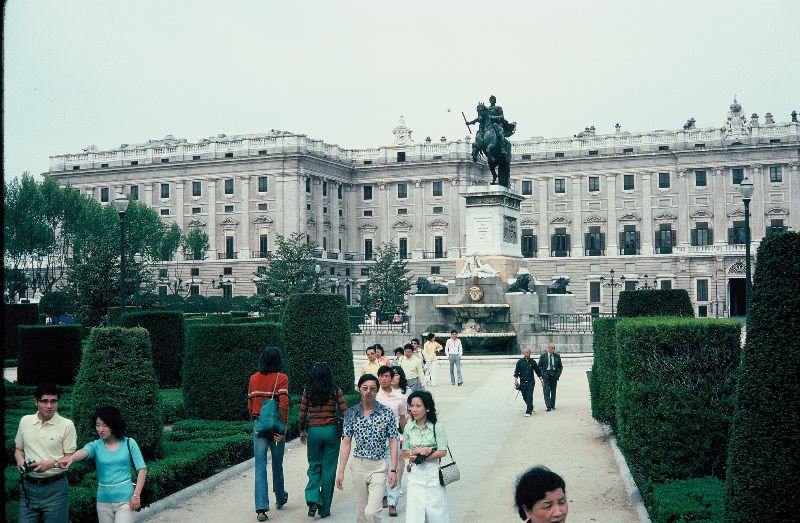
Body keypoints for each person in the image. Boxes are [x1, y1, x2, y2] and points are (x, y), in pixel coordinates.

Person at [59, 405, 147, 523]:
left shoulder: (129, 443)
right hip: (103, 502)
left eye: (105, 425)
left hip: (126, 500)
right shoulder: (95, 445)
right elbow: (84, 452)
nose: (100, 429)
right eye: (97, 425)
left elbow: (142, 469)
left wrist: (136, 495)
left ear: (114, 425)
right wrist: (72, 458)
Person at [336, 374, 399, 523]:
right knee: (361, 513)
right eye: (365, 388)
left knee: (372, 512)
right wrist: (341, 471)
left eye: (372, 388)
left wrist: (394, 469)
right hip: (359, 465)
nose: (368, 391)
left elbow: (393, 441)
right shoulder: (351, 413)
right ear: (359, 389)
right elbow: (346, 442)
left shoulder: (386, 412)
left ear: (377, 390)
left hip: (379, 466)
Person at [14, 382, 77, 523]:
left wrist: (52, 463)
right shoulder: (25, 421)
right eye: (45, 401)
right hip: (28, 489)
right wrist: (20, 460)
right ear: (36, 402)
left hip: (56, 490)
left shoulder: (67, 425)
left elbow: (69, 458)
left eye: (53, 401)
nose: (49, 406)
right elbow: (19, 449)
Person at [298, 363, 347, 519]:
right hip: (331, 431)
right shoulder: (335, 390)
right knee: (329, 469)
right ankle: (324, 509)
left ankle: (312, 499)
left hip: (314, 431)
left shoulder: (308, 391)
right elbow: (345, 412)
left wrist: (302, 430)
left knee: (314, 465)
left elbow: (302, 413)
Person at [247, 347, 289, 521]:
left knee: (259, 466)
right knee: (277, 464)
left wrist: (256, 419)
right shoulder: (282, 378)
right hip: (276, 427)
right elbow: (284, 405)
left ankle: (261, 508)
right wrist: (282, 429)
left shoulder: (253, 378)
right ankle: (280, 498)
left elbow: (250, 403)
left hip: (259, 425)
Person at [402, 390, 451, 522]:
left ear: (427, 407)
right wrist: (417, 451)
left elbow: (443, 450)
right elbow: (404, 451)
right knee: (414, 516)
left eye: (418, 406)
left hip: (433, 475)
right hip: (415, 476)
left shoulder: (437, 426)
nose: (414, 410)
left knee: (437, 514)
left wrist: (426, 457)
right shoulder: (408, 427)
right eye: (412, 406)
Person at [514, 347, 543, 417]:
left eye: (528, 353)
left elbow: (538, 371)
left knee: (529, 396)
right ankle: (531, 407)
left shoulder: (533, 362)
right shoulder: (519, 362)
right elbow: (516, 372)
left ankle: (528, 411)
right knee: (525, 397)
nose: (527, 354)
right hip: (523, 382)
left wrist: (541, 380)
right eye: (525, 353)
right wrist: (516, 380)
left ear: (530, 353)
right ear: (523, 353)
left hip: (531, 382)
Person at [539, 343, 564, 412]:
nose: (552, 350)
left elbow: (560, 367)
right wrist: (542, 374)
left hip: (554, 374)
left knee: (553, 391)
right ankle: (548, 406)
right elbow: (539, 366)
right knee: (546, 390)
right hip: (546, 374)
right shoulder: (543, 356)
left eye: (553, 348)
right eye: (551, 348)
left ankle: (552, 405)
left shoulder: (557, 356)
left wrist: (558, 375)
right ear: (548, 348)